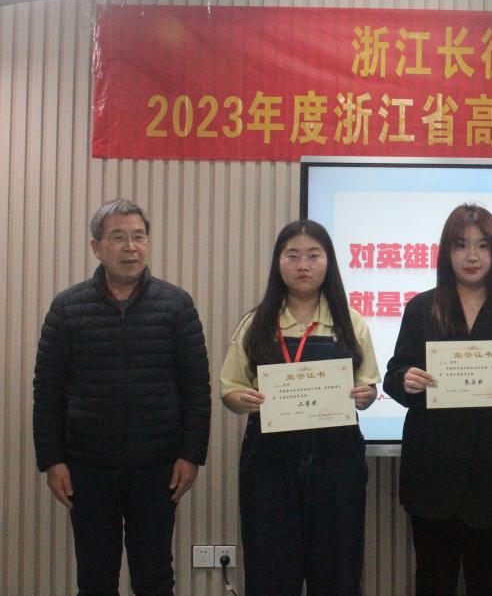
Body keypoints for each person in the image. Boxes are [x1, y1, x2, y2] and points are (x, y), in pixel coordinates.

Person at [32, 198, 211, 596]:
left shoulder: (176, 304)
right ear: (96, 247)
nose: (130, 247)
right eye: (118, 237)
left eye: (138, 237)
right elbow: (47, 390)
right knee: (95, 579)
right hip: (87, 466)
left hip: (158, 466)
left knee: (155, 577)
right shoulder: (67, 308)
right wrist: (52, 460)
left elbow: (197, 387)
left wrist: (191, 455)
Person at [383, 204, 492, 595]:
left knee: (489, 582)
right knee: (433, 581)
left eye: (482, 245)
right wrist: (404, 381)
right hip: (433, 472)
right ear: (447, 252)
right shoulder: (421, 308)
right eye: (461, 245)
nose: (472, 256)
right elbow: (394, 375)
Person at [220, 220, 380, 595]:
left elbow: (369, 386)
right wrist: (243, 399)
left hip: (336, 462)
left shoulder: (350, 322)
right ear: (278, 262)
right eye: (292, 256)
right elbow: (230, 389)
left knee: (337, 571)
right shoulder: (256, 323)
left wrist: (366, 395)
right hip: (270, 464)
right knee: (271, 569)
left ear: (329, 262)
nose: (303, 265)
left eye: (313, 256)